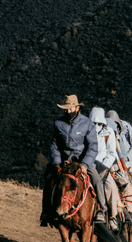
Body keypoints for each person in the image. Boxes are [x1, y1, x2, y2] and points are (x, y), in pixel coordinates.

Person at [41, 94, 109, 226]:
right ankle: (46, 212)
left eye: (70, 108)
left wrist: (85, 164)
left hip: (82, 161)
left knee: (97, 180)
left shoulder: (87, 124)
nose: (68, 111)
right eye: (66, 109)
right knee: (49, 178)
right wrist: (56, 162)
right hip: (64, 162)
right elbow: (54, 145)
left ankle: (102, 210)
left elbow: (92, 146)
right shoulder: (58, 123)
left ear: (77, 108)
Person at [90, 105, 126, 226]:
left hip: (103, 166)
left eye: (99, 123)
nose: (96, 126)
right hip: (87, 164)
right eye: (93, 123)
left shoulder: (108, 132)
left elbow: (111, 153)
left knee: (110, 187)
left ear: (103, 123)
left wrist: (103, 167)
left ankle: (112, 216)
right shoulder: (86, 131)